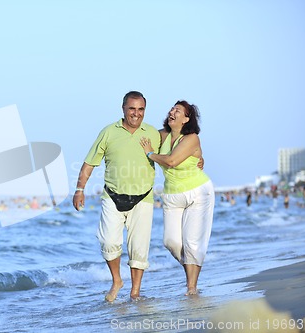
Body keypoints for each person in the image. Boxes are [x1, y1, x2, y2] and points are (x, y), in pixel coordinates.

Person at [73, 91, 160, 302]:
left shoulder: (154, 134)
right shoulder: (109, 132)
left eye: (140, 109)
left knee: (139, 249)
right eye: (132, 108)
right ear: (123, 109)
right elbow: (89, 162)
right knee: (108, 241)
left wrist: (196, 159)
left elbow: (170, 157)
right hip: (113, 195)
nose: (136, 114)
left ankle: (135, 292)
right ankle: (117, 280)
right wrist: (79, 189)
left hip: (143, 198)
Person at [140, 100, 214, 296]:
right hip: (172, 195)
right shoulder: (162, 135)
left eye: (178, 110)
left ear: (186, 119)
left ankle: (191, 288)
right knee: (171, 242)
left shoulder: (191, 137)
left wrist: (150, 154)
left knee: (192, 243)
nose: (172, 112)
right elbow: (140, 136)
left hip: (198, 192)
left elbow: (171, 161)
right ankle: (192, 266)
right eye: (172, 108)